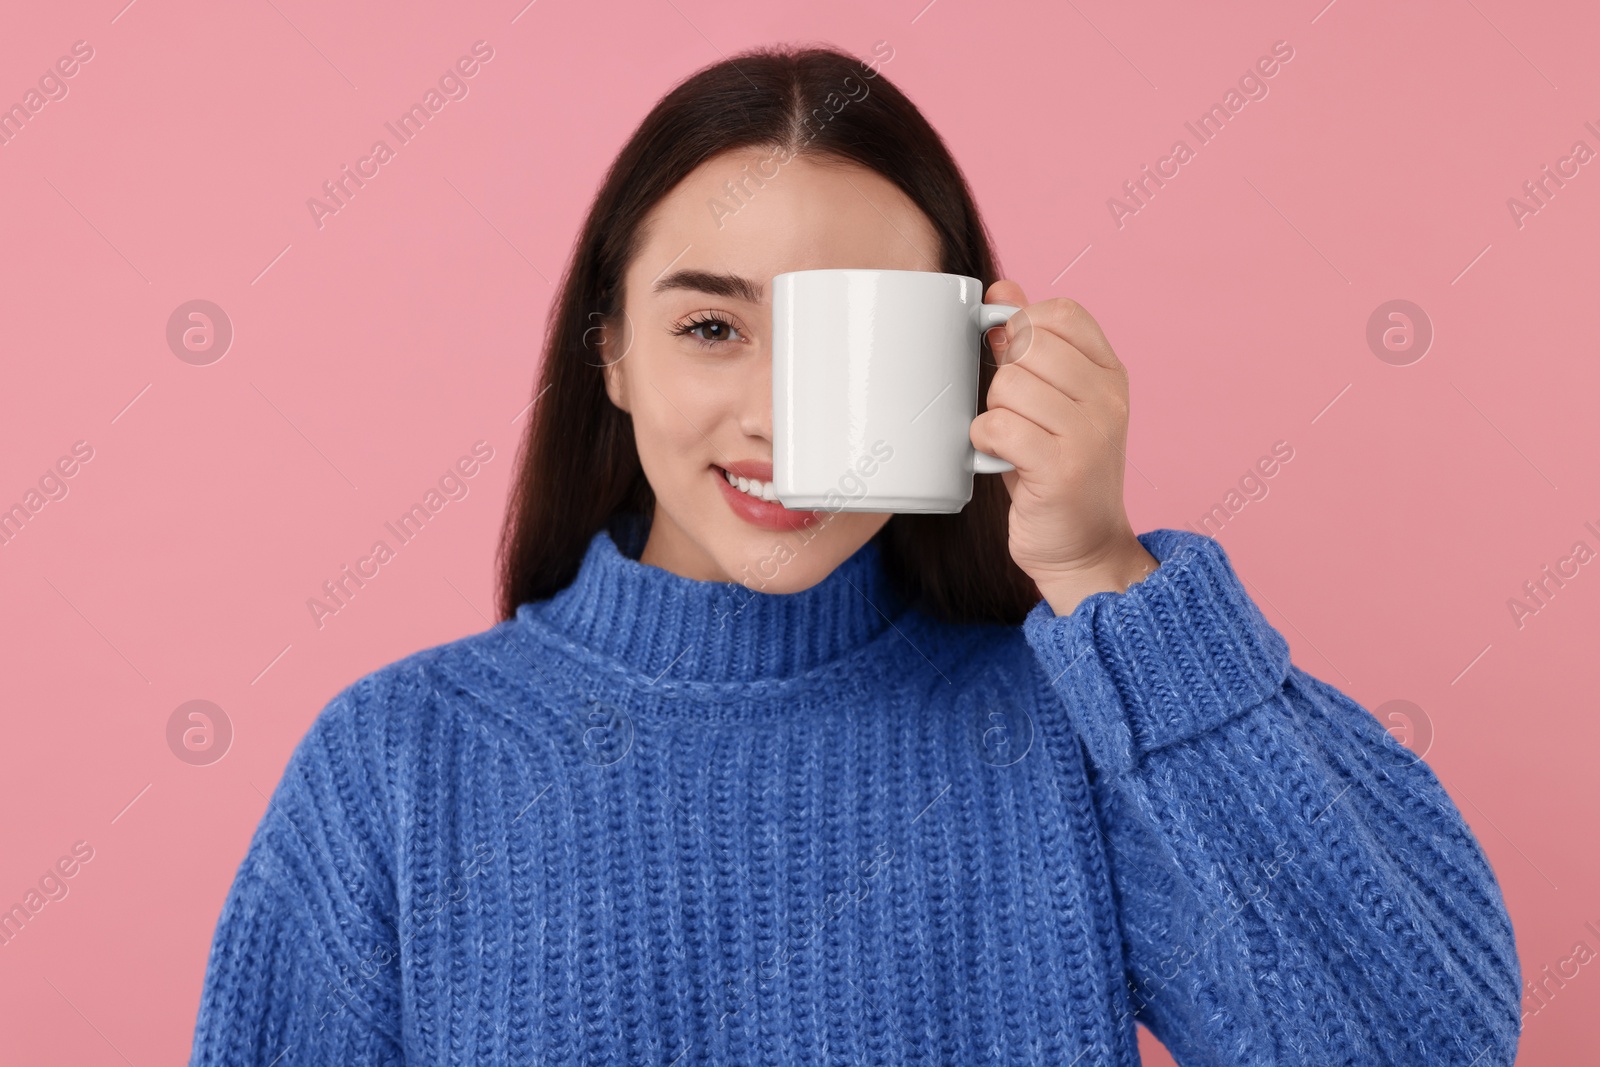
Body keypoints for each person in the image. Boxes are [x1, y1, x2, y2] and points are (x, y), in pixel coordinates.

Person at [187, 44, 1521, 1066]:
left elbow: (1427, 1042)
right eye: (712, 329)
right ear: (610, 353)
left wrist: (1110, 576)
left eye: (856, 341)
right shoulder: (399, 763)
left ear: (972, 358)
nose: (777, 416)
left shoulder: (1073, 731)